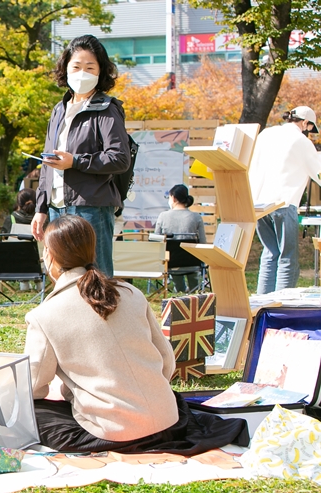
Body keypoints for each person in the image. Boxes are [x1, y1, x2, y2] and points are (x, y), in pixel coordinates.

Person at [25, 215, 247, 453]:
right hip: (169, 421)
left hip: (113, 434)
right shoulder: (130, 293)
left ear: (50, 255)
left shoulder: (44, 315)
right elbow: (166, 360)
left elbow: (32, 386)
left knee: (28, 412)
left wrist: (66, 390)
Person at [30, 34, 131, 278]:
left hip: (92, 207)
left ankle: (104, 317)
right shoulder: (59, 109)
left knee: (97, 274)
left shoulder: (107, 108)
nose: (82, 73)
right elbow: (48, 164)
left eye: (90, 67)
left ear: (101, 71)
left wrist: (75, 161)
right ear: (66, 68)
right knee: (61, 273)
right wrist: (40, 207)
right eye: (76, 66)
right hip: (57, 207)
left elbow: (119, 158)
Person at [249, 105, 321, 295]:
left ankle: (262, 303)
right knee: (287, 258)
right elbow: (319, 173)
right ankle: (282, 305)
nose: (309, 133)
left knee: (269, 254)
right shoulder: (300, 141)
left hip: (258, 203)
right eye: (309, 128)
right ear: (305, 123)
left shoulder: (266, 134)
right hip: (283, 202)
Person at [154, 184, 206, 292]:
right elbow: (203, 242)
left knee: (174, 264)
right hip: (193, 262)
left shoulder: (163, 216)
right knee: (193, 277)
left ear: (173, 198)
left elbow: (156, 241)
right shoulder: (196, 217)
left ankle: (180, 291)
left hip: (171, 263)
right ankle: (194, 291)